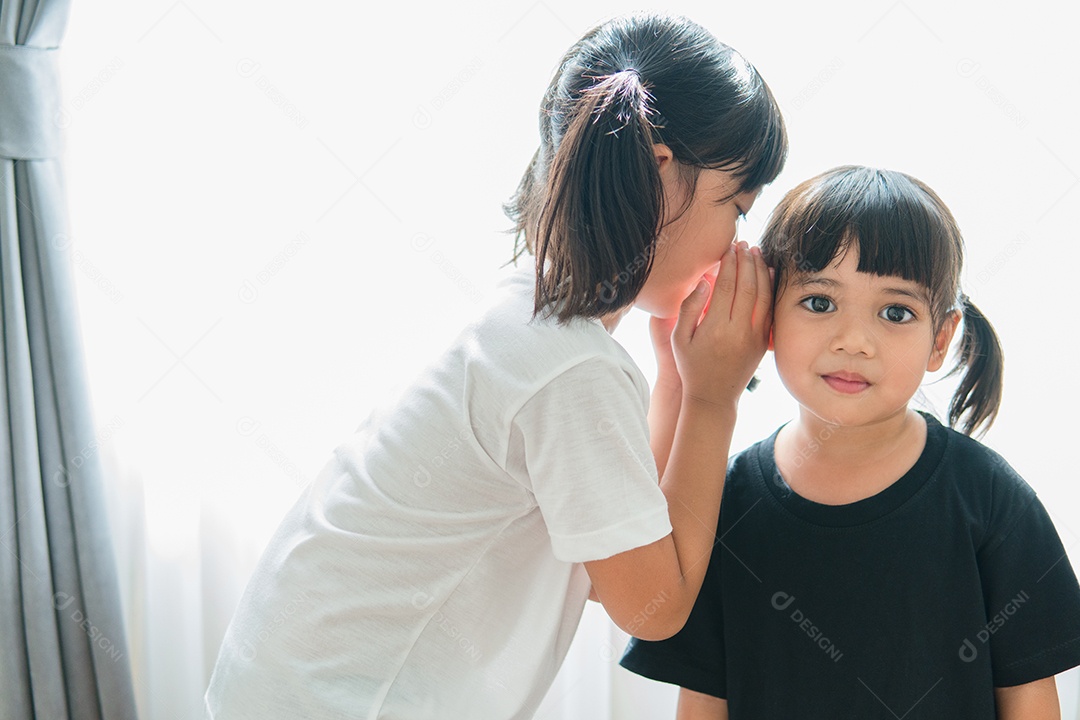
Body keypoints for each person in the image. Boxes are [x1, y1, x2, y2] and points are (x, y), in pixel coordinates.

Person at [203, 12, 787, 719]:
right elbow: (652, 605)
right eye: (738, 207)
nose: (734, 245)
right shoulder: (571, 372)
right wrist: (711, 401)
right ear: (661, 175)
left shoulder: (527, 320)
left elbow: (624, 556)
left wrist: (675, 377)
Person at [620, 165, 1080, 719]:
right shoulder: (725, 504)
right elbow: (703, 703)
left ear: (940, 340)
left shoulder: (988, 497)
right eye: (819, 302)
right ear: (766, 316)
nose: (854, 341)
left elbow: (1031, 698)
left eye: (895, 312)